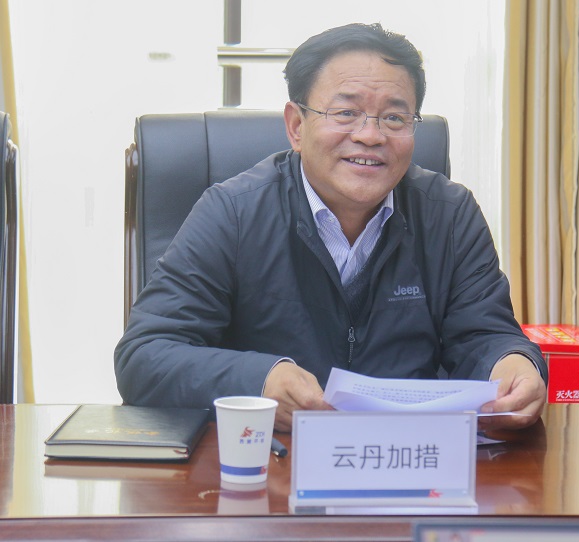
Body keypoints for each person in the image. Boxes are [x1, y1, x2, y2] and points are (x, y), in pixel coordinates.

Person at [115, 22, 547, 432]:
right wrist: (259, 380)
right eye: (346, 112)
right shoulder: (233, 213)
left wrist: (513, 364)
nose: (370, 136)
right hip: (272, 457)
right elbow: (145, 356)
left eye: (394, 118)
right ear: (296, 126)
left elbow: (484, 334)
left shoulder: (449, 214)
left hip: (405, 454)